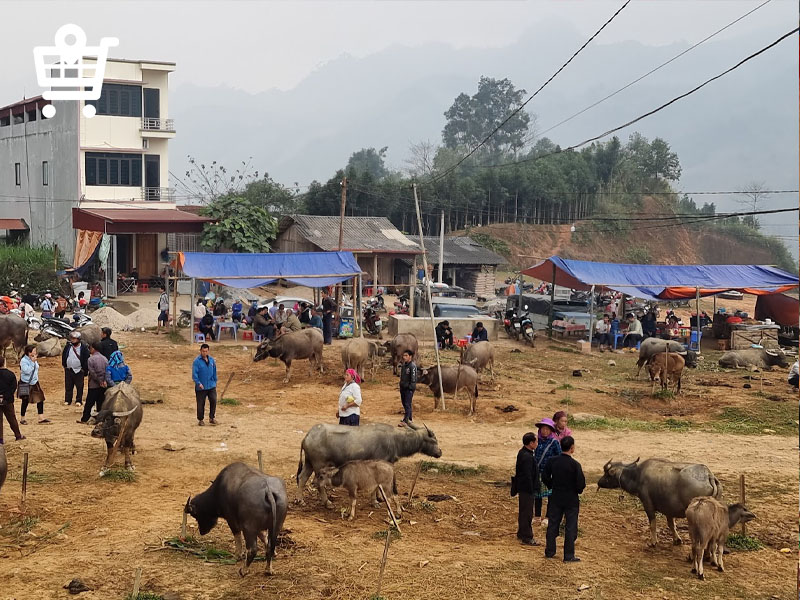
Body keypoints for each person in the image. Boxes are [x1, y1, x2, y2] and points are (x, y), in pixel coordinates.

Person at [543, 436, 585, 562]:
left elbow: (545, 476)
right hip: (571, 499)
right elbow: (580, 484)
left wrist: (552, 485)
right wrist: (577, 491)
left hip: (556, 496)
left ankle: (550, 551)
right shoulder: (575, 465)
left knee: (553, 524)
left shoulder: (552, 461)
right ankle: (568, 555)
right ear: (572, 448)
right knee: (570, 527)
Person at [533, 417, 562, 525]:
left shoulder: (554, 442)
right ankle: (537, 516)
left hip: (549, 473)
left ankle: (548, 516)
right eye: (542, 429)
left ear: (550, 431)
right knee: (537, 494)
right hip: (537, 472)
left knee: (550, 495)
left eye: (547, 429)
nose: (544, 431)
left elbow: (559, 456)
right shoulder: (536, 440)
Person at [514, 431, 539, 546]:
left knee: (523, 511)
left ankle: (521, 532)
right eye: (536, 441)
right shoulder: (527, 457)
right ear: (531, 443)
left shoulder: (523, 453)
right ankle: (527, 537)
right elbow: (528, 475)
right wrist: (532, 489)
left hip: (523, 488)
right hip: (527, 489)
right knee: (527, 513)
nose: (537, 443)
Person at [19, 345, 48, 425]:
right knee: (25, 401)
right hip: (25, 383)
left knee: (40, 399)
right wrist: (32, 362)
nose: (35, 353)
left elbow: (37, 368)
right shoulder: (23, 361)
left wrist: (34, 361)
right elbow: (27, 371)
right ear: (29, 352)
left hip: (35, 382)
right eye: (34, 351)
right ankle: (22, 418)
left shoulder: (34, 359)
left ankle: (41, 417)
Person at [80, 342, 108, 424]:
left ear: (93, 349)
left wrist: (99, 381)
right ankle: (100, 419)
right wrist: (103, 381)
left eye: (90, 348)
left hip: (93, 384)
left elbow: (92, 372)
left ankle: (85, 418)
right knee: (101, 402)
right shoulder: (105, 359)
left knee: (89, 402)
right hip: (103, 384)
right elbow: (107, 371)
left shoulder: (91, 359)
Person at [192, 343, 218, 426]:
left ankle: (211, 417)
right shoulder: (196, 361)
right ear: (200, 351)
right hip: (201, 386)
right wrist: (198, 383)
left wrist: (215, 380)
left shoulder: (212, 360)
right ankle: (200, 419)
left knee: (213, 400)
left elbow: (214, 371)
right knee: (200, 403)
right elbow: (194, 374)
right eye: (203, 351)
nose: (205, 353)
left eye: (206, 351)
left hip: (211, 385)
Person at [0, 356, 25, 443]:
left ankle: (0, 439)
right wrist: (5, 397)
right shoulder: (10, 374)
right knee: (12, 419)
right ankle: (18, 435)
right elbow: (13, 388)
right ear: (4, 363)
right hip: (8, 401)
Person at [62, 330, 89, 406]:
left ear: (78, 339)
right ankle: (68, 400)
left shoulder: (83, 348)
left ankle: (78, 400)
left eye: (74, 338)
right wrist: (65, 365)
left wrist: (84, 369)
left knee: (79, 386)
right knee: (68, 386)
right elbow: (64, 355)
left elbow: (86, 359)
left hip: (79, 370)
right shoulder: (68, 347)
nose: (72, 340)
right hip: (69, 369)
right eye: (72, 338)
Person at [398, 349, 417, 426]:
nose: (404, 357)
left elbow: (413, 378)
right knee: (404, 403)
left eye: (406, 356)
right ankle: (409, 419)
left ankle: (405, 421)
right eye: (403, 355)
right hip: (403, 387)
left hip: (408, 388)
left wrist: (410, 387)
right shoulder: (404, 366)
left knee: (407, 403)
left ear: (410, 357)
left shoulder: (412, 366)